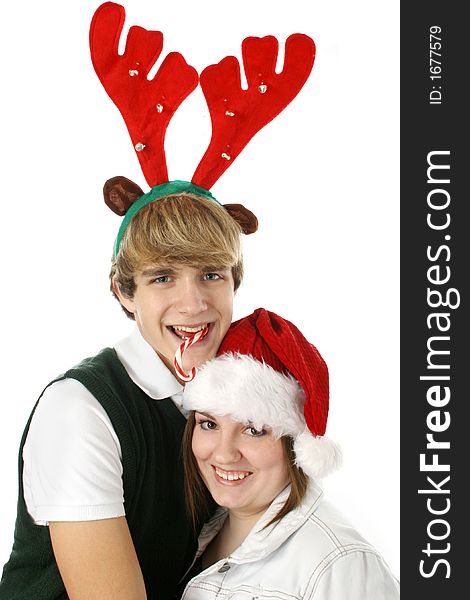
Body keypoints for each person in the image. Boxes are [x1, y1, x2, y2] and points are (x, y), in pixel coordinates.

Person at [0, 180, 256, 600]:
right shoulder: (79, 411)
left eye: (211, 274)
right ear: (125, 292)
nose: (193, 304)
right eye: (163, 277)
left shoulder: (232, 396)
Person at [180, 308, 400, 599]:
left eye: (254, 430)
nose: (224, 454)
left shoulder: (340, 565)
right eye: (209, 424)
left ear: (295, 442)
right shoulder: (195, 533)